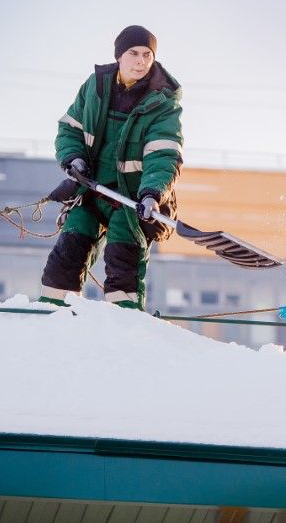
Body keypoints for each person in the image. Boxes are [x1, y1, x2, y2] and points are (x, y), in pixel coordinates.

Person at [39, 25, 183, 310]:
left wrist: (153, 193)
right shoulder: (95, 86)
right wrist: (73, 159)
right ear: (119, 56)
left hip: (133, 199)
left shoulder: (163, 102)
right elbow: (70, 129)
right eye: (133, 53)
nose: (141, 61)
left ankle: (124, 317)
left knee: (123, 253)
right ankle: (51, 311)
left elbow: (164, 154)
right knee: (70, 244)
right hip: (92, 190)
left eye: (147, 54)